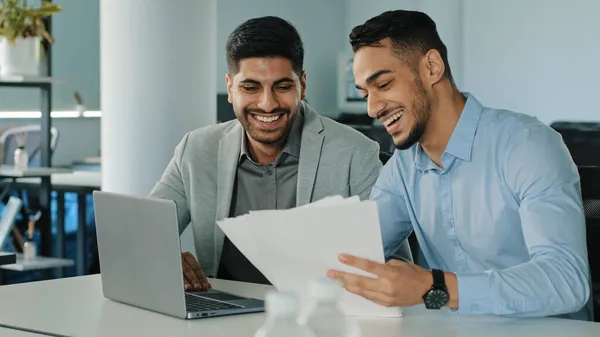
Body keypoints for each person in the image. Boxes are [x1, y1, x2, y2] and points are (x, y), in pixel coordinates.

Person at [327, 10, 592, 320]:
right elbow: (355, 252)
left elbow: (566, 281)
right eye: (365, 93)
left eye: (383, 84)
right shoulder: (403, 167)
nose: (372, 108)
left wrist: (434, 286)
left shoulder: (527, 145)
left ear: (432, 67)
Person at [149, 16, 383, 290]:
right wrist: (162, 260)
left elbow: (392, 265)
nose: (268, 104)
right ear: (230, 88)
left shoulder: (356, 153)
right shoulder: (197, 149)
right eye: (250, 87)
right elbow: (147, 235)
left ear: (302, 85)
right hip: (219, 323)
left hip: (317, 321)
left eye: (283, 87)